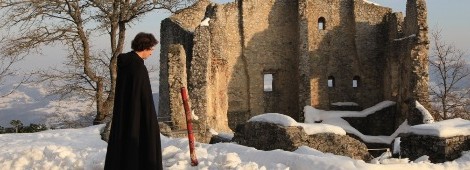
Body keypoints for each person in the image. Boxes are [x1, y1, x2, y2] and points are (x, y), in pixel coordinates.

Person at [104, 32, 163, 170]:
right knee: (140, 147)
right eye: (151, 48)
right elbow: (143, 98)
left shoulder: (126, 63)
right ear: (145, 47)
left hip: (125, 114)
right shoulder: (138, 68)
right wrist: (150, 121)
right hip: (137, 116)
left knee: (123, 147)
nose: (152, 52)